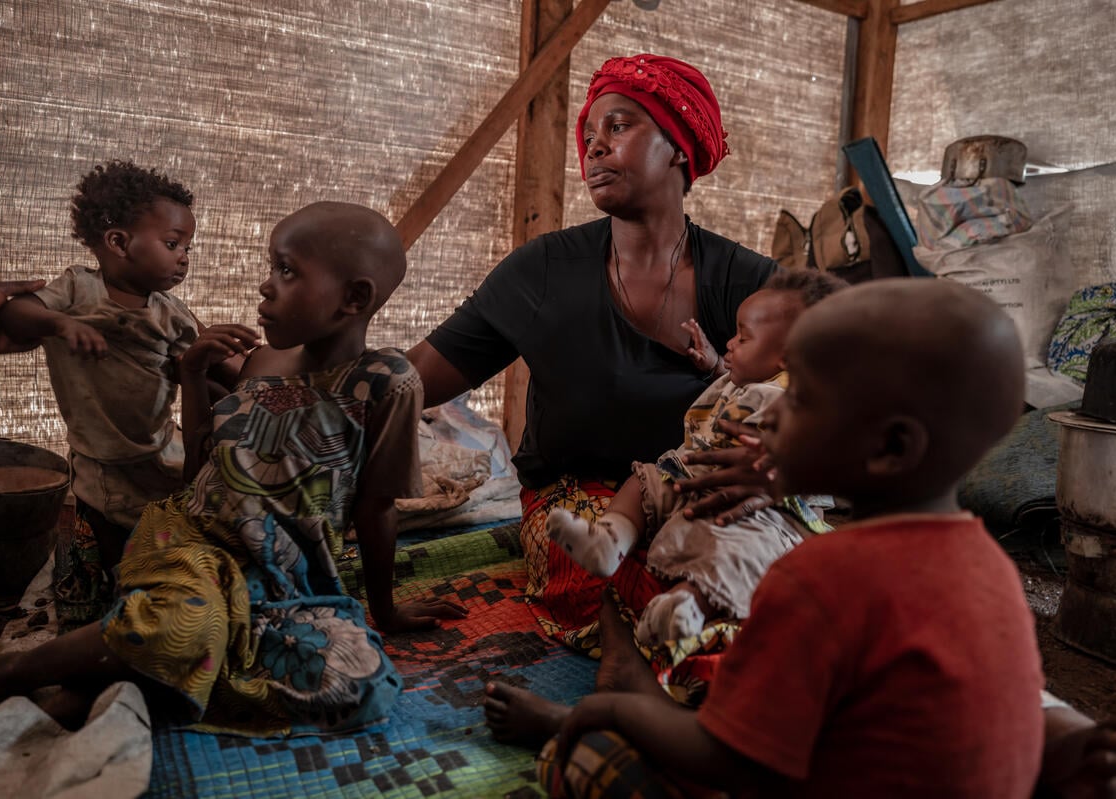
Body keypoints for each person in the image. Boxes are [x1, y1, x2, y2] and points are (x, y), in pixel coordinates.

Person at [494, 278, 1047, 797]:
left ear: (890, 449)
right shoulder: (991, 566)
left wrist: (602, 715)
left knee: (582, 760)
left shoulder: (817, 579)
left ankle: (613, 704)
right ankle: (638, 687)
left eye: (800, 399)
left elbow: (730, 760)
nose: (770, 416)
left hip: (762, 766)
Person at [0, 201, 465, 735]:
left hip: (285, 580)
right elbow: (199, 468)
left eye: (286, 271)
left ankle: (107, 683)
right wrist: (192, 376)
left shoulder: (386, 381)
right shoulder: (262, 364)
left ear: (354, 297)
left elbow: (378, 508)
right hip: (191, 544)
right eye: (271, 268)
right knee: (190, 621)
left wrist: (386, 609)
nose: (265, 287)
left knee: (360, 680)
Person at [408, 53, 778, 651]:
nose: (595, 147)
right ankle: (681, 677)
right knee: (628, 582)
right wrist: (306, 382)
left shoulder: (749, 282)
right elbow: (411, 382)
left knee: (766, 569)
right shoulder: (543, 271)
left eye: (620, 126)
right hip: (576, 499)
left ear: (679, 148)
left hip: (698, 492)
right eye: (587, 135)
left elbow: (821, 394)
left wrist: (772, 469)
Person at [545, 269, 846, 646]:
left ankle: (690, 603)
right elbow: (734, 388)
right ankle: (609, 540)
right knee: (644, 482)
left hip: (761, 508)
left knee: (740, 550)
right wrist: (714, 366)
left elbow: (803, 450)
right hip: (689, 476)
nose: (730, 343)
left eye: (743, 337)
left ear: (787, 358)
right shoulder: (747, 379)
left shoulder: (792, 400)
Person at [0, 161, 225, 620]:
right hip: (102, 457)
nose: (184, 257)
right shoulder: (79, 290)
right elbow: (14, 313)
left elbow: (203, 370)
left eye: (187, 247)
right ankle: (108, 611)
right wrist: (59, 324)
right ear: (119, 242)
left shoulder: (171, 313)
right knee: (105, 533)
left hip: (159, 446)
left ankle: (151, 599)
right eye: (173, 244)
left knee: (160, 527)